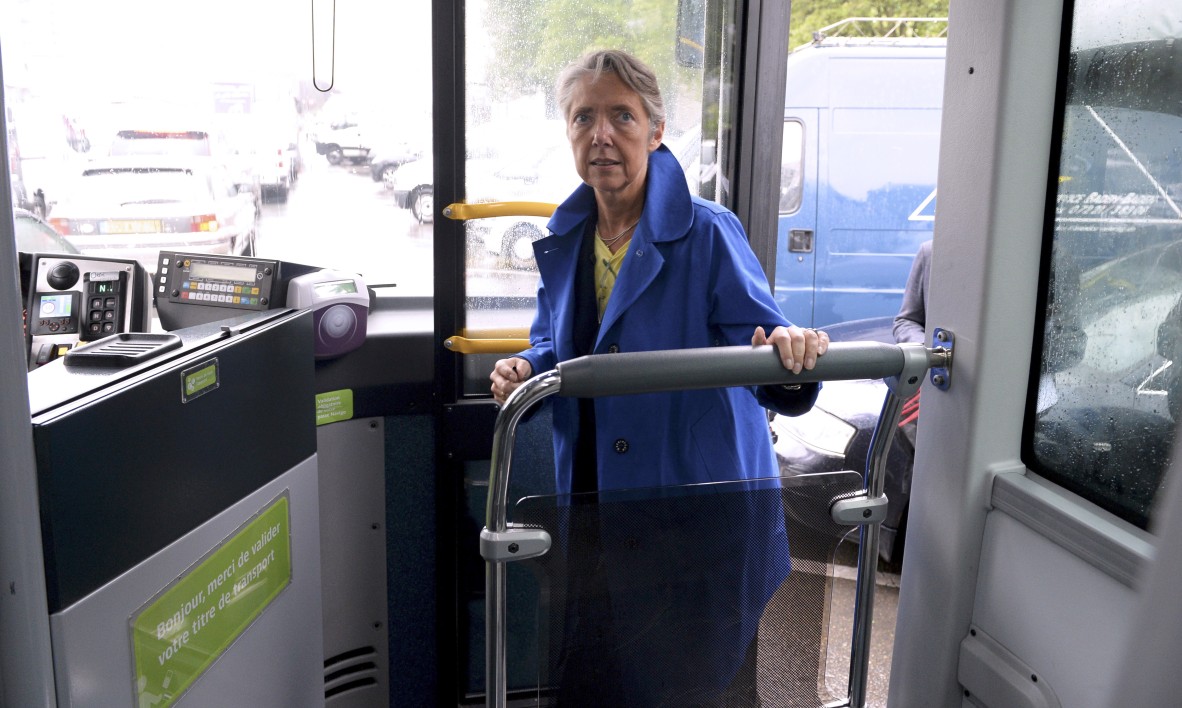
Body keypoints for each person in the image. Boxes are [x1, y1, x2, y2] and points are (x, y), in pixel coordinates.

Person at [488, 50, 829, 706]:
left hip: (695, 521)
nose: (602, 135)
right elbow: (559, 342)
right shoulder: (567, 239)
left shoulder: (707, 233)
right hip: (594, 511)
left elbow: (767, 353)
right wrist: (529, 365)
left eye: (622, 116)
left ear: (656, 130)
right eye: (584, 117)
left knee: (691, 690)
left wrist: (787, 350)